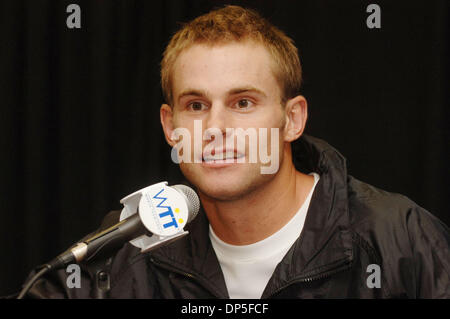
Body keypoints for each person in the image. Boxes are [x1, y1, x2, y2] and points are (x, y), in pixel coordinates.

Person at [26, 5, 449, 299]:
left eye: (243, 103)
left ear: (293, 120)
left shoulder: (400, 242)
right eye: (196, 106)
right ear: (170, 127)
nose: (215, 129)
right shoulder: (128, 253)